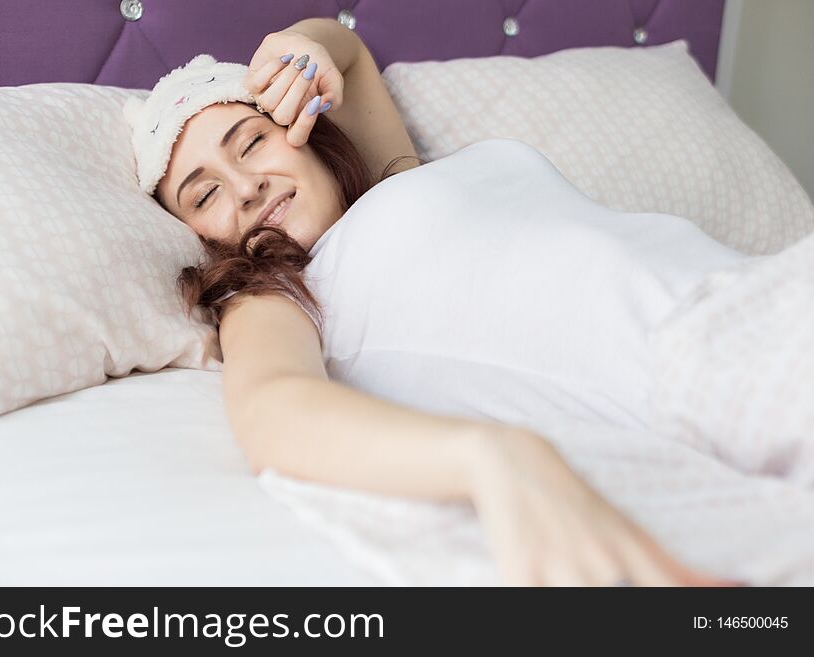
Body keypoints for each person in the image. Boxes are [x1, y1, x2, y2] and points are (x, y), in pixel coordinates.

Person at [123, 17, 742, 587]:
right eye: (203, 196)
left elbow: (352, 58)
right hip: (693, 370)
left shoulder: (398, 179)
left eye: (252, 142)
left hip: (740, 290)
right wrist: (490, 456)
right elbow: (272, 409)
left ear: (301, 129)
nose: (247, 185)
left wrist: (299, 47)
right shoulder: (272, 292)